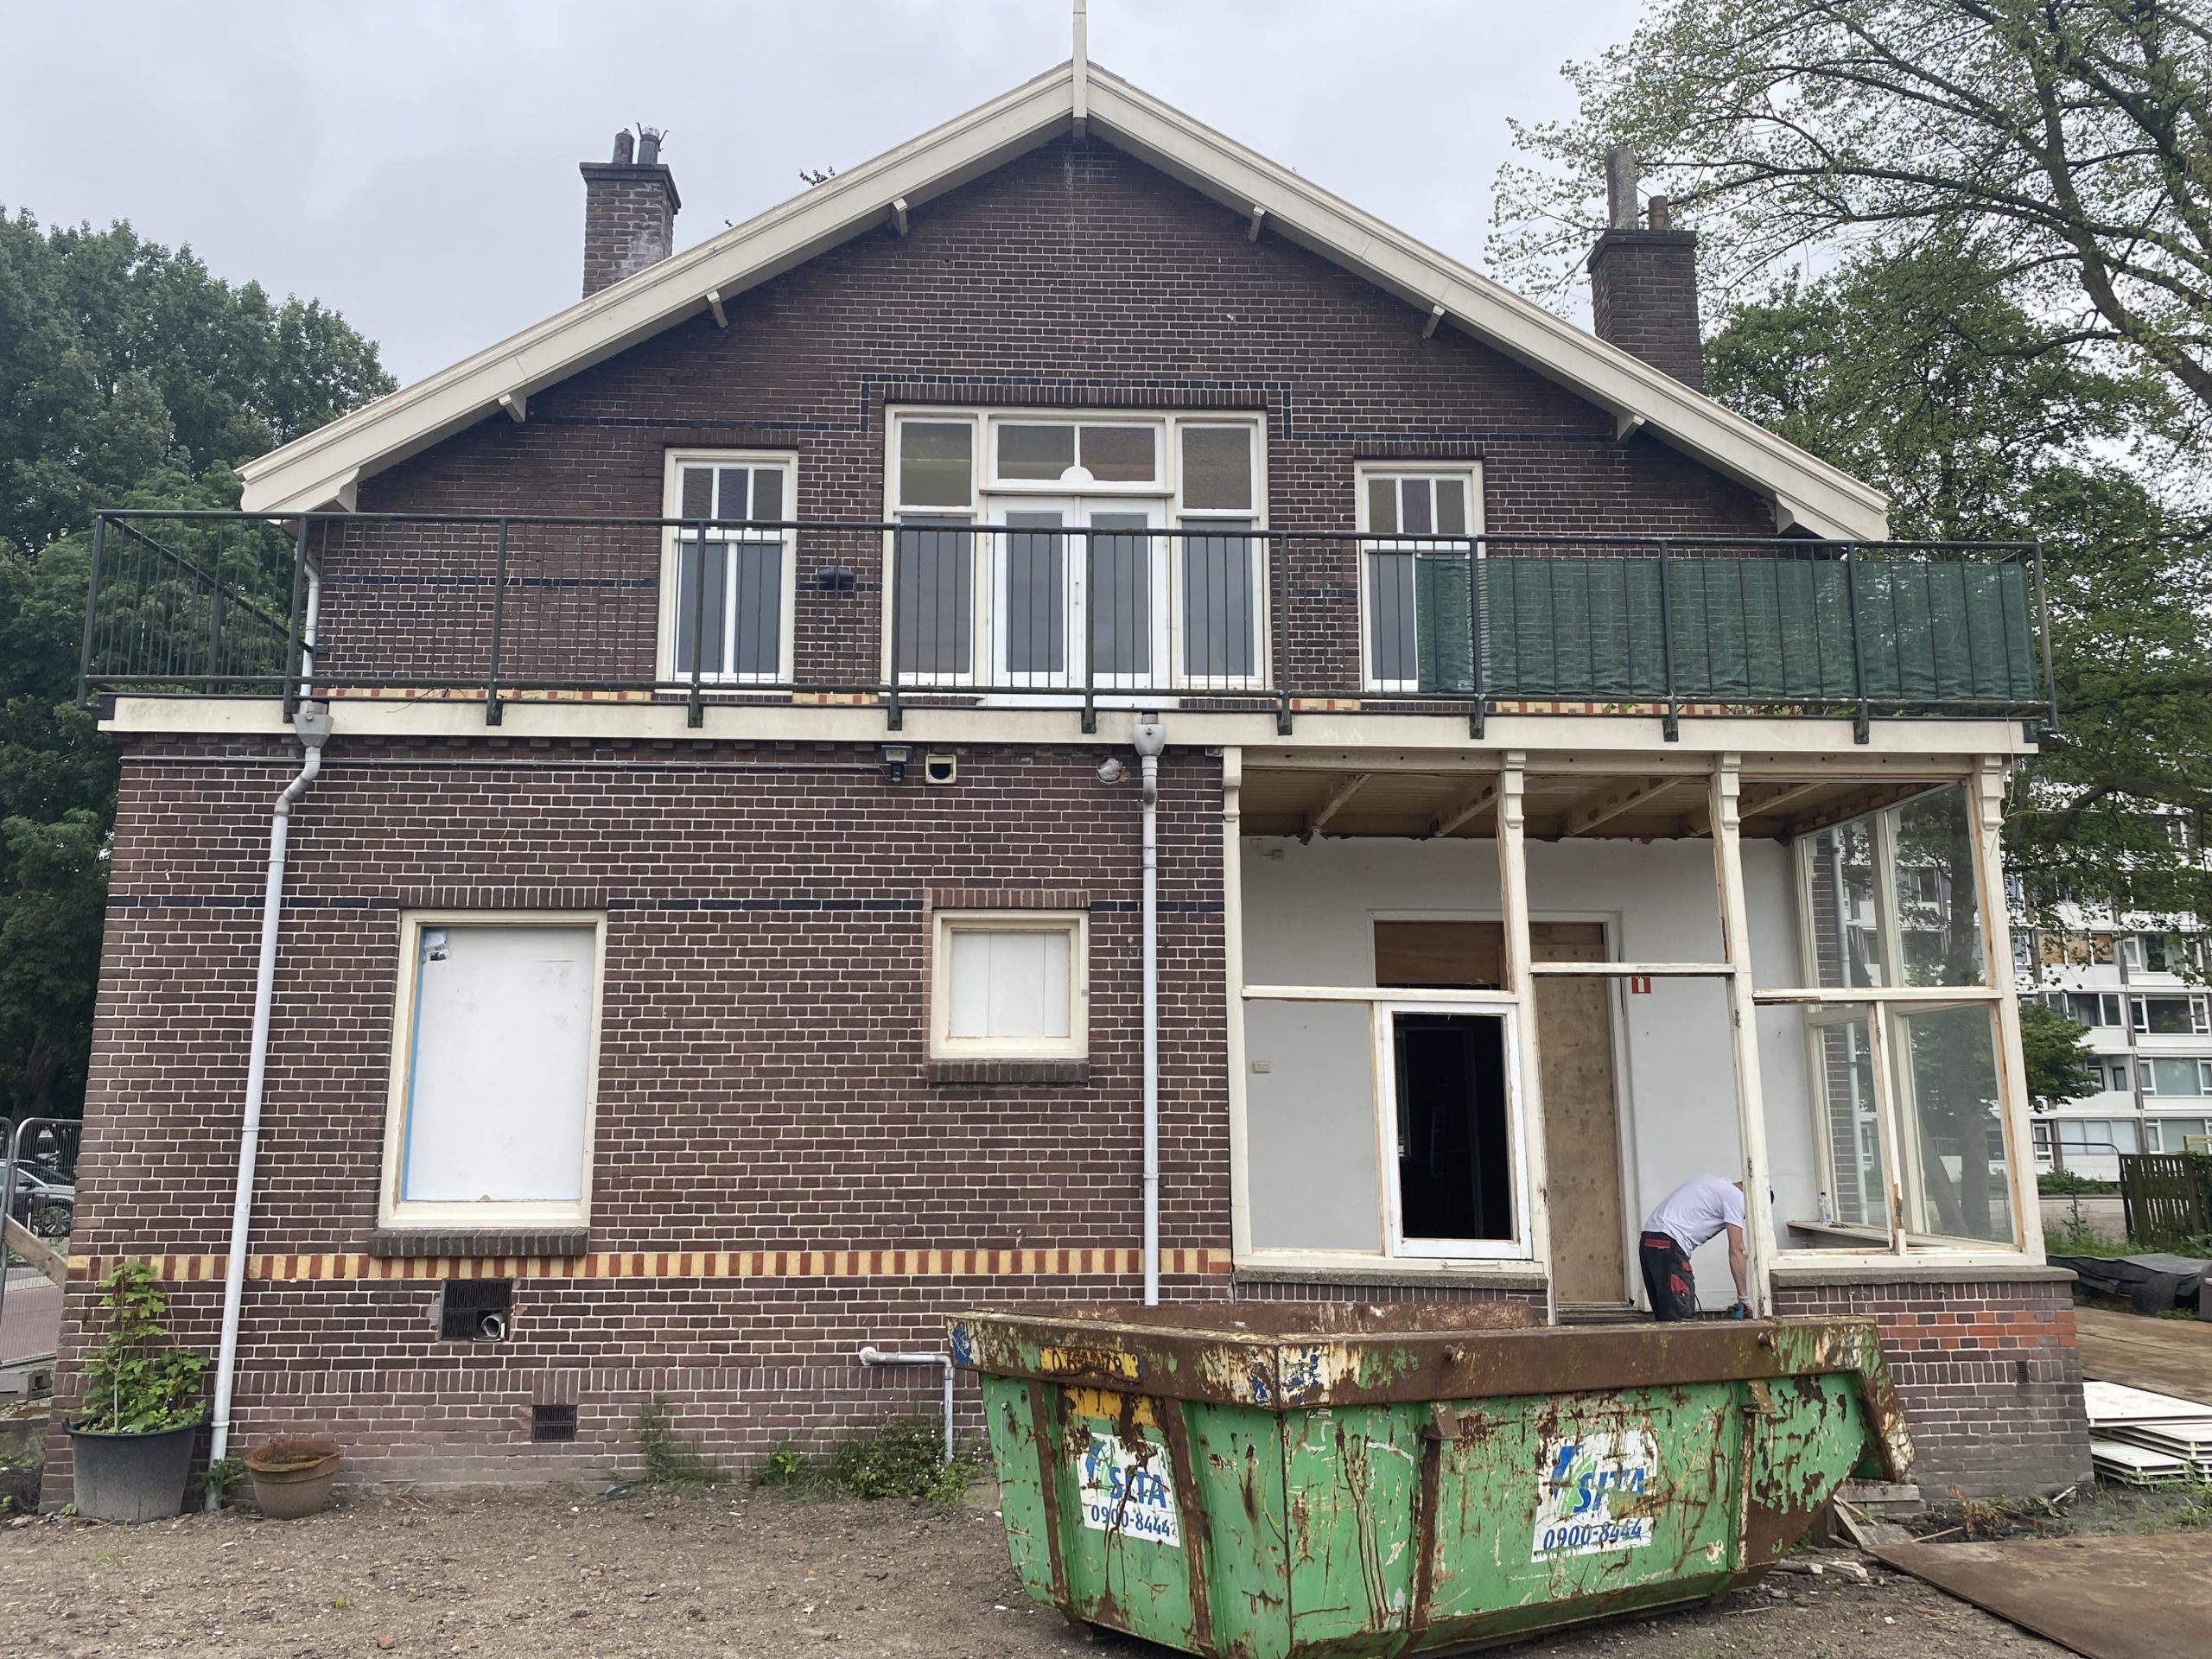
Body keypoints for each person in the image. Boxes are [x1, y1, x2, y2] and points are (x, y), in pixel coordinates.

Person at [1639, 1175, 1748, 1320]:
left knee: (1666, 1318)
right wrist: (1744, 1299)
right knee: (1681, 1320)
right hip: (1669, 1244)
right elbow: (1737, 1250)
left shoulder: (1714, 1182)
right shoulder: (1736, 1198)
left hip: (1649, 1241)